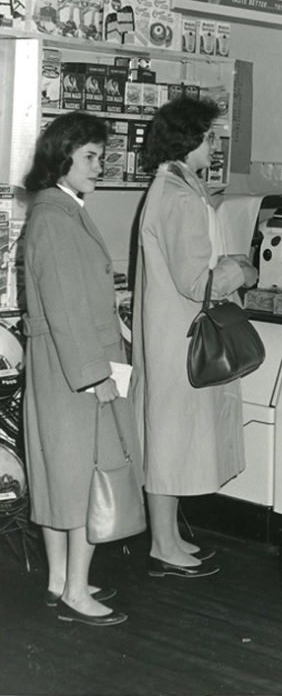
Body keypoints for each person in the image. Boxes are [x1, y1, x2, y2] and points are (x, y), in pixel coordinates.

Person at [131, 96, 257, 578]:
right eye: (209, 136)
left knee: (172, 437)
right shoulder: (180, 197)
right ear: (188, 141)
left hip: (176, 336)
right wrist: (242, 270)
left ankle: (170, 535)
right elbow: (197, 282)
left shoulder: (181, 185)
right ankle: (163, 545)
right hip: (179, 341)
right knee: (168, 439)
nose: (216, 144)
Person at [22, 111, 138, 626]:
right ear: (61, 157)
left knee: (62, 476)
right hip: (79, 370)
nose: (101, 166)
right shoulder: (56, 218)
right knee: (88, 477)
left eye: (102, 156)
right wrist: (98, 377)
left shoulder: (57, 211)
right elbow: (68, 313)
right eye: (90, 157)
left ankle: (59, 580)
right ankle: (74, 592)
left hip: (62, 366)